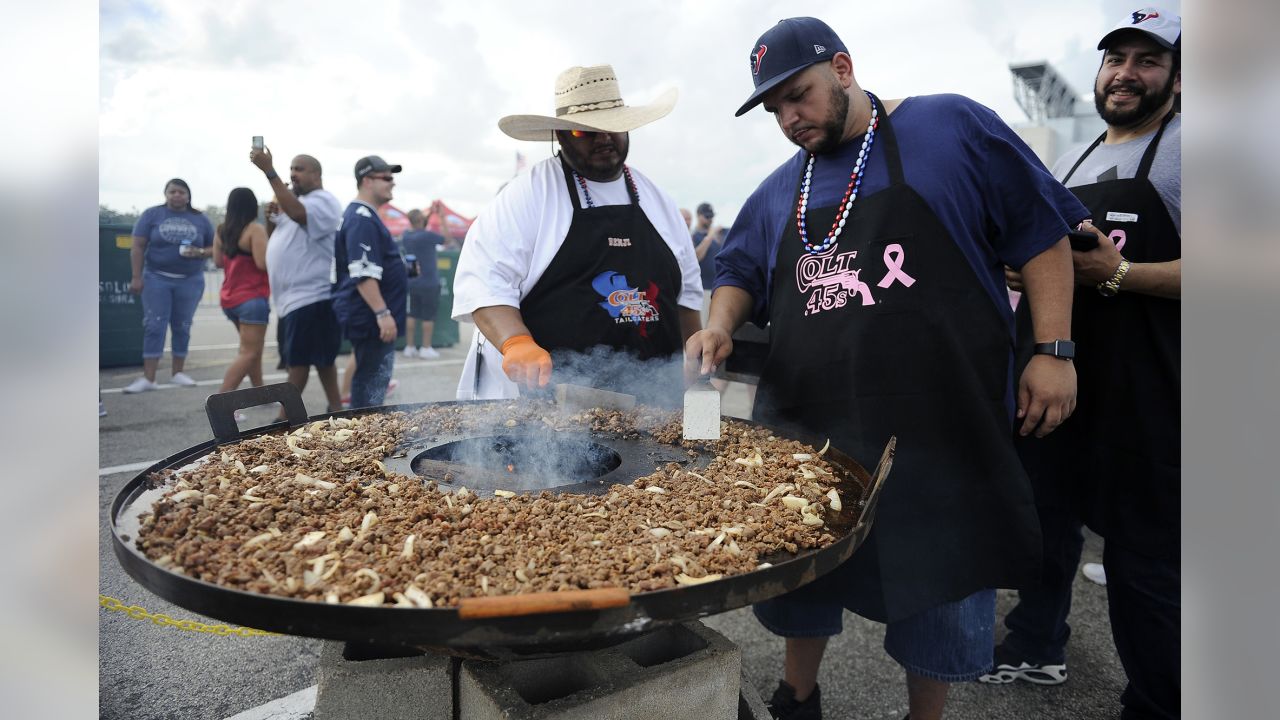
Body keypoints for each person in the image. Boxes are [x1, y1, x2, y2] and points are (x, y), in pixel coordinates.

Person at [684, 18, 1085, 720]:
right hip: (812, 429)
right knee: (800, 572)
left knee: (941, 580)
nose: (788, 118)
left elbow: (1041, 230)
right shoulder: (785, 187)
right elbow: (738, 266)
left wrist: (1053, 352)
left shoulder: (951, 127)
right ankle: (798, 696)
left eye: (798, 96)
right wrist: (718, 325)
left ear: (842, 67)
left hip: (941, 424)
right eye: (774, 108)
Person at [980, 9, 1181, 720]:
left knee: (1144, 569)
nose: (1126, 72)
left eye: (1147, 61)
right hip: (1061, 381)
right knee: (1047, 521)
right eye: (1115, 58)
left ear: (1179, 77)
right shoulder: (1077, 154)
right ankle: (1038, 641)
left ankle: (1159, 702)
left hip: (1151, 394)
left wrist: (1120, 275)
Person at [452, 64, 703, 402]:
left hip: (653, 408)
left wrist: (696, 367)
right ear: (561, 135)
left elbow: (686, 297)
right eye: (586, 132)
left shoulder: (659, 202)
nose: (603, 139)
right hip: (550, 414)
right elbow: (483, 283)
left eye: (613, 129)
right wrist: (516, 342)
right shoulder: (528, 194)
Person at [251, 147, 345, 414]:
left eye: (299, 169)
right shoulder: (293, 204)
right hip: (292, 301)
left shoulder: (323, 201)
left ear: (316, 174)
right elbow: (277, 235)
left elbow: (300, 215)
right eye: (290, 169)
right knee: (323, 360)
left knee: (298, 363)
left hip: (311, 297)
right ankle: (336, 408)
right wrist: (271, 217)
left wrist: (270, 172)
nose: (293, 175)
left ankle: (284, 419)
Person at [123, 178, 215, 393]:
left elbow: (215, 247)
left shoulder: (200, 218)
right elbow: (137, 246)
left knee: (182, 325)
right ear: (165, 194)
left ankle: (178, 373)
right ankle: (149, 378)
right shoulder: (152, 215)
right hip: (156, 277)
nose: (177, 195)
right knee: (155, 325)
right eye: (172, 191)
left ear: (188, 195)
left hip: (190, 280)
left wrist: (200, 252)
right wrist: (136, 276)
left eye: (181, 192)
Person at [332, 156, 408, 409]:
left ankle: (367, 432)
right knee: (369, 383)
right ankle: (365, 439)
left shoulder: (365, 216)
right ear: (367, 181)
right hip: (370, 317)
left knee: (374, 381)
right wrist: (382, 312)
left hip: (371, 316)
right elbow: (362, 273)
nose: (392, 183)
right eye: (386, 178)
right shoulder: (361, 218)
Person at [211, 187, 270, 403]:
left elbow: (218, 262)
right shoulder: (255, 229)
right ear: (253, 206)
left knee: (252, 348)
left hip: (229, 297)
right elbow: (262, 263)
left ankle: (260, 393)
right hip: (252, 298)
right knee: (250, 352)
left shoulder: (221, 230)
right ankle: (223, 402)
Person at [400, 208, 444, 359]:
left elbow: (418, 223)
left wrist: (429, 213)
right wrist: (441, 217)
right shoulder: (428, 236)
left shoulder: (406, 236)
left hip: (412, 282)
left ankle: (409, 347)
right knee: (428, 317)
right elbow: (447, 239)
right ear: (421, 220)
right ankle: (426, 348)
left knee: (411, 314)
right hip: (429, 283)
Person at [692, 202, 724, 293]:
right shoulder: (693, 235)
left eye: (711, 216)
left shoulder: (715, 236)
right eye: (707, 216)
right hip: (702, 288)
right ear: (698, 216)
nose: (710, 219)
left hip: (717, 286)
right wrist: (710, 237)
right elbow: (696, 257)